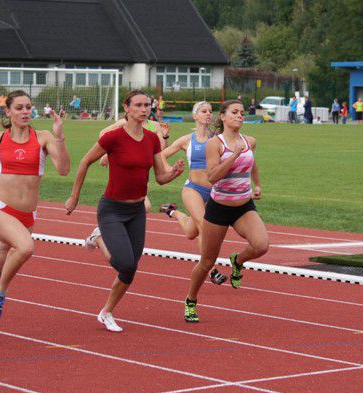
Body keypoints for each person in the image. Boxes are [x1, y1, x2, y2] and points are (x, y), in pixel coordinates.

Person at [64, 90, 185, 332]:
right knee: (125, 264)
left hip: (137, 210)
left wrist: (174, 174)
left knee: (131, 268)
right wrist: (74, 196)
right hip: (112, 209)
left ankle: (106, 311)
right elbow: (85, 162)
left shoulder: (152, 138)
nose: (144, 109)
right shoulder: (113, 137)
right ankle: (98, 238)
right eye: (138, 105)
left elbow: (160, 178)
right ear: (126, 108)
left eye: (147, 105)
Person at [0, 90, 70, 339]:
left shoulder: (43, 138)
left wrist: (59, 138)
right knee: (26, 248)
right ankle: (0, 294)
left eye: (29, 107)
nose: (25, 112)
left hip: (27, 215)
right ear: (8, 112)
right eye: (19, 108)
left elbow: (63, 170)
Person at [184, 99, 268, 323]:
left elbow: (252, 164)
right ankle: (191, 300)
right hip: (219, 207)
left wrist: (256, 184)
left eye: (241, 112)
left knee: (261, 245)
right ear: (223, 117)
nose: (240, 115)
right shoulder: (215, 144)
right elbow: (212, 176)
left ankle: (237, 261)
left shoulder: (249, 141)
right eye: (234, 112)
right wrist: (233, 155)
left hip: (243, 206)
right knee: (207, 261)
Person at [159, 101, 228, 285]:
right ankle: (211, 269)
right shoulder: (186, 140)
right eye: (204, 111)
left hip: (213, 192)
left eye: (210, 112)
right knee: (204, 226)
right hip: (193, 189)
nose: (208, 114)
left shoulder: (218, 139)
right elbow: (161, 155)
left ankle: (173, 211)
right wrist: (170, 169)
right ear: (195, 116)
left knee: (191, 231)